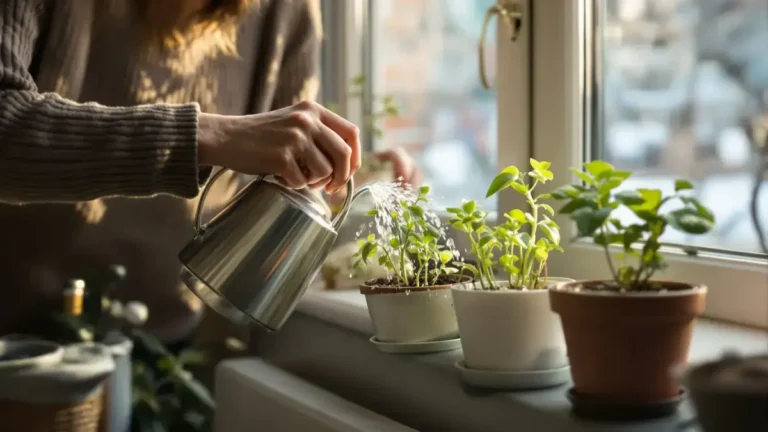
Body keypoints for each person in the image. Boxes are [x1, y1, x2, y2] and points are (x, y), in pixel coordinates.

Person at [0, 0, 420, 349]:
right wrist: (209, 135)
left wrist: (343, 175)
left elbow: (281, 181)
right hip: (17, 341)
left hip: (168, 341)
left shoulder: (287, 11)